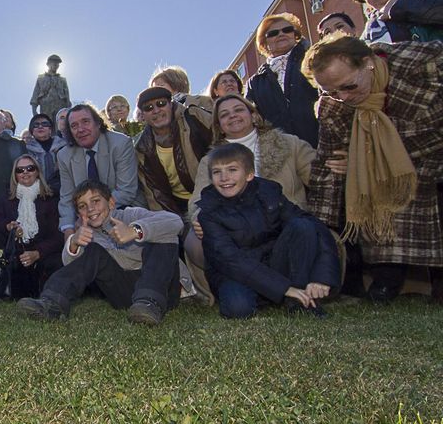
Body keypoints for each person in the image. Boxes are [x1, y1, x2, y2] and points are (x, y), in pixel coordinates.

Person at [301, 33, 443, 303]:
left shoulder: (427, 66)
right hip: (400, 185)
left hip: (433, 163)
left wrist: (365, 160)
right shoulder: (335, 107)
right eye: (332, 92)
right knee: (376, 190)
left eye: (349, 86)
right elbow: (325, 174)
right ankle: (387, 282)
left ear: (367, 62)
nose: (344, 98)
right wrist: (319, 233)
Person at [185, 94, 316, 302]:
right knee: (196, 238)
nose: (233, 116)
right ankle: (243, 288)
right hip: (236, 234)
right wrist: (199, 217)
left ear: (253, 115)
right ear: (219, 125)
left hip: (282, 226)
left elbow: (318, 179)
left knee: (306, 227)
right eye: (224, 114)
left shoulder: (290, 144)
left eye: (239, 110)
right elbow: (198, 198)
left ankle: (298, 288)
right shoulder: (210, 160)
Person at [197, 144, 340, 318]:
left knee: (302, 226)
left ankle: (299, 300)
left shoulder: (269, 192)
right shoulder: (208, 211)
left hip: (274, 262)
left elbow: (314, 225)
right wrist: (283, 288)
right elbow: (230, 260)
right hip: (235, 272)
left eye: (232, 170)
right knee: (238, 309)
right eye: (217, 172)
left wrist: (322, 277)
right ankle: (278, 293)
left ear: (249, 175)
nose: (224, 178)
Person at [16, 180, 182, 325]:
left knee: (162, 234)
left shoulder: (130, 214)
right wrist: (73, 242)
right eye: (82, 206)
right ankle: (51, 303)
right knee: (94, 250)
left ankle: (149, 302)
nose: (90, 209)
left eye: (96, 201)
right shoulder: (86, 233)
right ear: (79, 214)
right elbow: (69, 265)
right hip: (126, 294)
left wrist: (134, 231)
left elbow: (175, 221)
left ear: (111, 203)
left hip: (161, 291)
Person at [0, 156, 64, 298]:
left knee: (55, 263)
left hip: (44, 254)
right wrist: (8, 227)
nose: (25, 172)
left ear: (37, 172)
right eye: (20, 170)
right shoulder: (7, 198)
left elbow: (58, 236)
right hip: (17, 255)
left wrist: (38, 253)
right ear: (15, 175)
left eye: (30, 168)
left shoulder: (50, 199)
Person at [57, 104, 141, 236]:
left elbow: (126, 191)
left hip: (123, 209)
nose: (80, 129)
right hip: (86, 217)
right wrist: (68, 230)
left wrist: (93, 212)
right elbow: (67, 198)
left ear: (98, 123)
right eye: (74, 126)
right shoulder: (64, 156)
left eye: (85, 122)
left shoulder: (120, 143)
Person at [134, 87, 212, 217]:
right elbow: (155, 195)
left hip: (215, 193)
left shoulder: (194, 118)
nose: (156, 110)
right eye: (149, 108)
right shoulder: (142, 149)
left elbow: (222, 146)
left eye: (161, 103)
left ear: (171, 104)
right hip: (180, 207)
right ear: (143, 115)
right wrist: (173, 223)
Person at [245, 13, 319, 148]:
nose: (281, 34)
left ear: (295, 35)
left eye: (287, 30)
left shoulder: (314, 60)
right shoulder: (255, 83)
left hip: (320, 146)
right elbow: (253, 123)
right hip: (283, 157)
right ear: (264, 43)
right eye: (273, 33)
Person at [24, 113, 67, 195]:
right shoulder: (25, 150)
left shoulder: (64, 147)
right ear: (32, 131)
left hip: (63, 192)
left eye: (45, 124)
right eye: (36, 125)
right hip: (36, 193)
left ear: (50, 129)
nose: (40, 127)